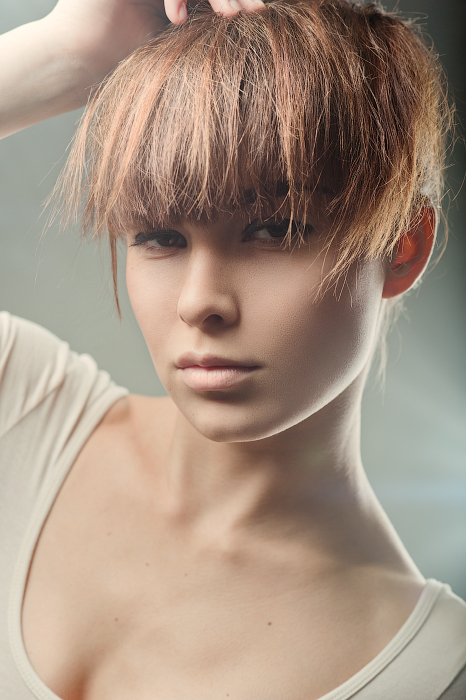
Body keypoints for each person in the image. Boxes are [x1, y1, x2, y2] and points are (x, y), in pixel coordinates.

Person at [0, 0, 465, 699]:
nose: (200, 301)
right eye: (159, 236)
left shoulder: (432, 670)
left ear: (403, 245)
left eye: (273, 229)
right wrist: (69, 51)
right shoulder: (21, 416)